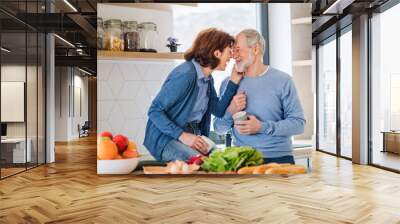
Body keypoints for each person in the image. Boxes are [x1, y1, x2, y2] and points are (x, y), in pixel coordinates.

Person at [144, 28, 243, 162]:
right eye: (229, 51)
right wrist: (183, 136)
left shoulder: (207, 79)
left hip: (191, 135)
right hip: (166, 139)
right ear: (217, 53)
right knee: (205, 164)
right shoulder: (186, 74)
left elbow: (218, 110)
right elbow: (154, 111)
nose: (231, 56)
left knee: (223, 161)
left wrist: (233, 81)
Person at [213, 29, 306, 164]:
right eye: (233, 51)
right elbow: (218, 129)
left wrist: (261, 127)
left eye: (238, 49)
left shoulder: (283, 80)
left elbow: (299, 124)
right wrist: (231, 110)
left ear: (255, 49)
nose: (234, 55)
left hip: (278, 159)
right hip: (241, 160)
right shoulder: (229, 83)